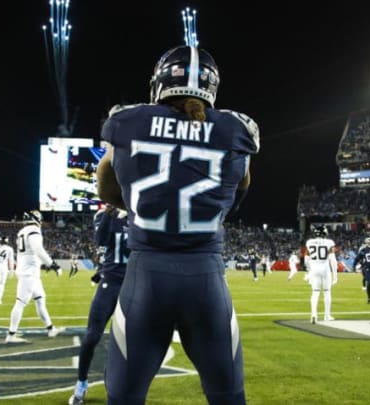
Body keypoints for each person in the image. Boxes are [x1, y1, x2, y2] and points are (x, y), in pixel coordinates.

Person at [96, 44, 259, 404]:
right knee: (229, 397)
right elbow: (236, 191)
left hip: (146, 278)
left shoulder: (127, 121)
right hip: (206, 279)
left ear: (159, 83)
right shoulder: (237, 130)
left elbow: (107, 187)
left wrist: (145, 206)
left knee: (123, 397)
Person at [69, 204, 130, 405]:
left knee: (134, 342)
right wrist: (110, 211)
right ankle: (81, 383)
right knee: (91, 336)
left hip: (134, 285)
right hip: (110, 282)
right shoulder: (105, 215)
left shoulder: (141, 213)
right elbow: (101, 240)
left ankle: (121, 386)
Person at [5, 210, 60, 342]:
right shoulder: (33, 230)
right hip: (28, 273)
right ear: (37, 219)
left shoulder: (22, 231)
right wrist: (52, 264)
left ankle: (51, 328)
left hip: (31, 273)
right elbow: (38, 250)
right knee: (20, 303)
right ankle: (11, 335)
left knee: (40, 300)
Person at [304, 225, 338, 324]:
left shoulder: (309, 242)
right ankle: (327, 315)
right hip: (325, 268)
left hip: (314, 268)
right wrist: (335, 275)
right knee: (327, 292)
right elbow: (333, 260)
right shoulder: (329, 242)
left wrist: (309, 272)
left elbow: (306, 260)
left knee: (315, 292)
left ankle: (313, 314)